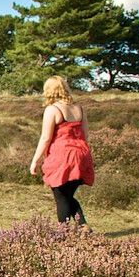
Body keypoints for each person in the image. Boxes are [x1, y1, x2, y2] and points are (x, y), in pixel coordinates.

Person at [29, 75, 94, 225]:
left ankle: (63, 234)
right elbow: (86, 135)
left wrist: (35, 161)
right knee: (67, 195)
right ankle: (83, 227)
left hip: (62, 156)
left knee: (61, 197)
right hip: (81, 154)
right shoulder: (79, 109)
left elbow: (45, 138)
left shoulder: (52, 110)